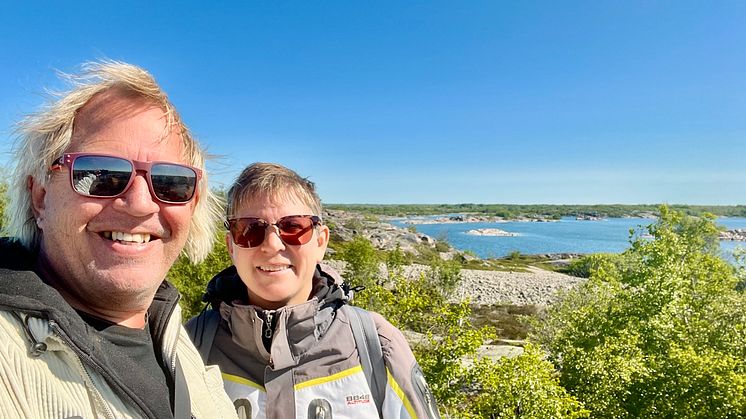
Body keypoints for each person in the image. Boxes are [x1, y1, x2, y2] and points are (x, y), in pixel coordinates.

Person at [0, 60, 237, 418]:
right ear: (41, 198)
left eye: (171, 183)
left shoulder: (172, 333)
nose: (141, 204)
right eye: (101, 174)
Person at [186, 162, 441, 418]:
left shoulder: (376, 344)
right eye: (250, 230)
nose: (272, 244)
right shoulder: (191, 347)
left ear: (321, 242)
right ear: (231, 247)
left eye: (293, 227)